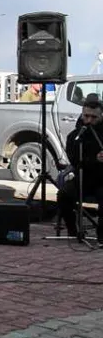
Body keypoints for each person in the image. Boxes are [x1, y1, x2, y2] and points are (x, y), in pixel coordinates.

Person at [57, 95, 103, 239]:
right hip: (83, 177)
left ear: (101, 116)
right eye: (86, 116)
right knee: (63, 195)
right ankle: (73, 232)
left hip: (102, 179)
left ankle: (101, 235)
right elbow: (74, 161)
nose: (89, 120)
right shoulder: (75, 136)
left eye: (94, 117)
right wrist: (94, 159)